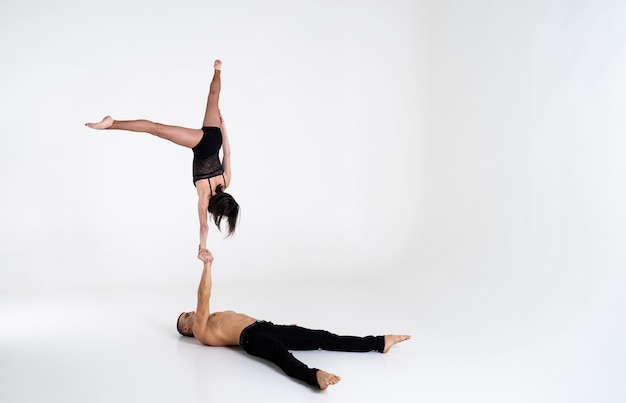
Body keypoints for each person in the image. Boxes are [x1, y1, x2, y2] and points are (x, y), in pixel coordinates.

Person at [176, 252, 411, 390]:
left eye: (188, 311)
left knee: (322, 337)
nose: (192, 312)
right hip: (251, 338)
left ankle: (379, 343)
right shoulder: (200, 330)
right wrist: (207, 265)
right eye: (187, 315)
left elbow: (244, 319)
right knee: (282, 356)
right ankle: (314, 377)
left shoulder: (210, 320)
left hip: (266, 327)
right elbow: (203, 296)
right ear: (186, 328)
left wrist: (282, 329)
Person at [85, 60, 238, 263]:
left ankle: (218, 69)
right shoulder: (204, 197)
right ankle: (112, 124)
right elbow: (204, 227)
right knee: (156, 129)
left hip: (215, 137)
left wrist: (223, 127)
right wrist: (202, 249)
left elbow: (227, 153)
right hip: (200, 143)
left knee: (213, 98)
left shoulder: (226, 181)